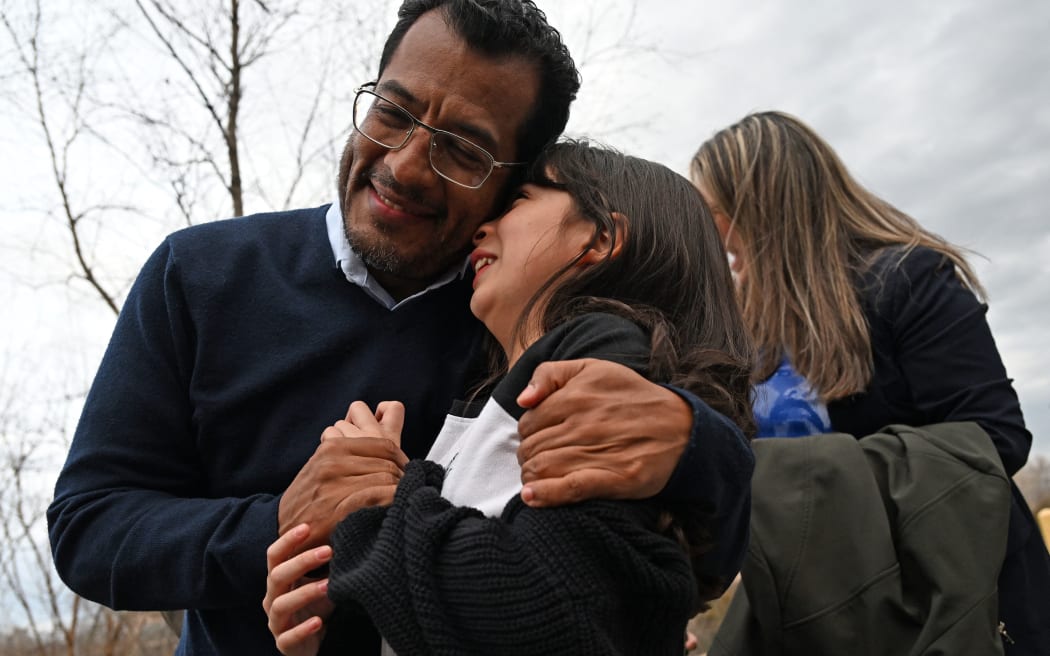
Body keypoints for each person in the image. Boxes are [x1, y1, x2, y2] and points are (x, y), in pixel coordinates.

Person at [45, 2, 755, 655]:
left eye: (464, 150)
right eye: (392, 111)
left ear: (511, 182)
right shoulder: (198, 274)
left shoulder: (520, 323)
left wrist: (697, 447)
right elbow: (89, 525)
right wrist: (283, 526)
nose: (406, 164)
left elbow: (700, 558)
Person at [264, 139, 755, 655]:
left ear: (600, 237)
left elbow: (538, 612)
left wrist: (368, 512)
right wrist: (326, 624)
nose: (483, 227)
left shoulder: (600, 355)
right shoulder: (479, 404)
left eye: (519, 201)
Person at [690, 110, 1050, 654]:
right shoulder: (746, 330)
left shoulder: (908, 279)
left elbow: (996, 439)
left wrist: (798, 482)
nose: (712, 232)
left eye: (714, 210)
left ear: (762, 202)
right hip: (814, 598)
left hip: (942, 595)